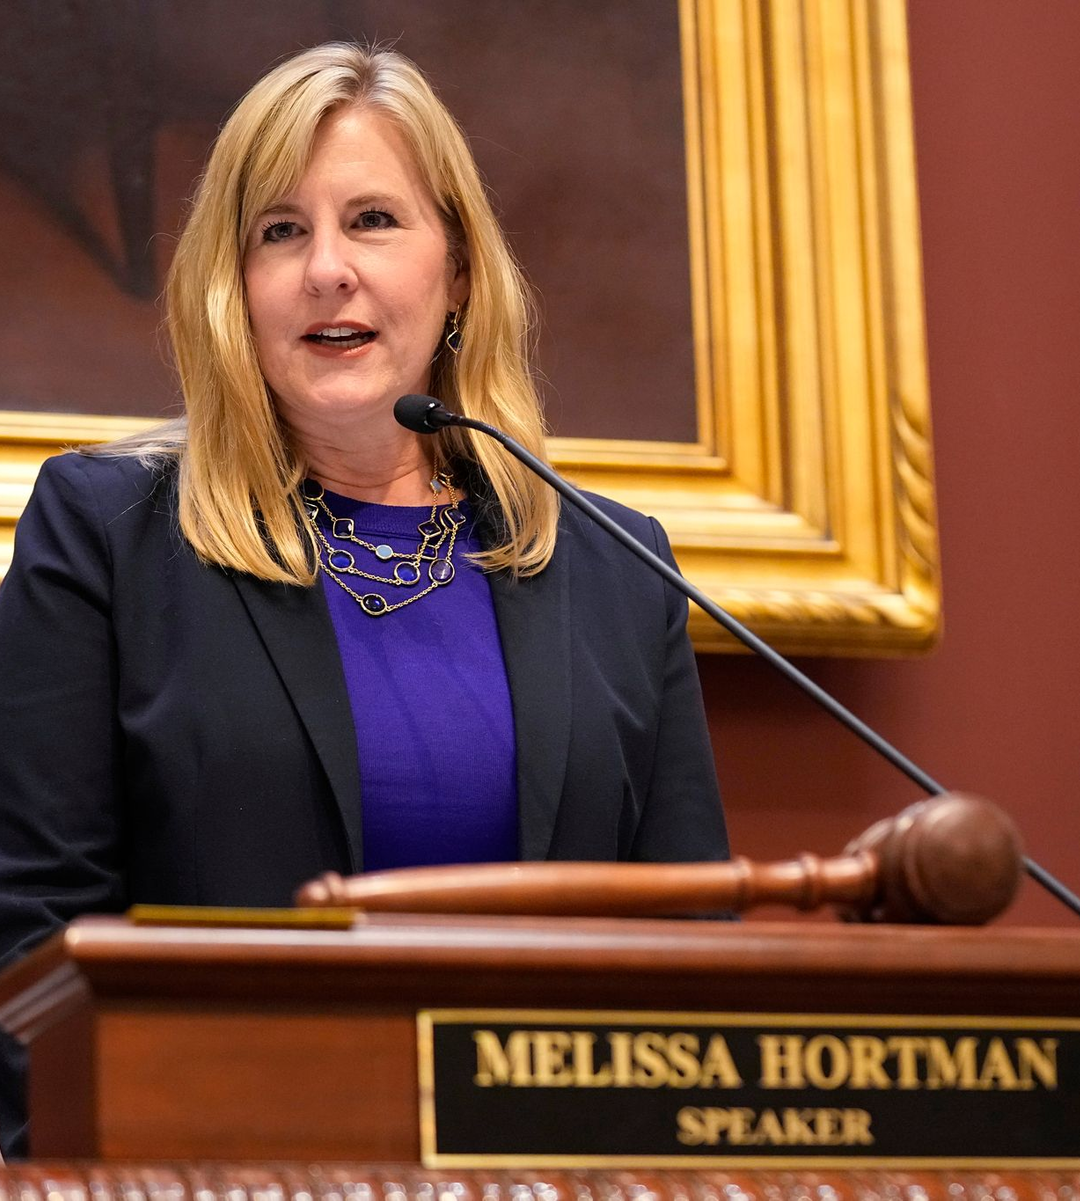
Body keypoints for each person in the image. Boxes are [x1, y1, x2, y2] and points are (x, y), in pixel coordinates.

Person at [0, 44, 728, 1155]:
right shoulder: (105, 535)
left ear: (460, 271)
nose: (327, 269)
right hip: (200, 1171)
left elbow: (694, 947)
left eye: (374, 220)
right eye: (280, 231)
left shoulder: (618, 570)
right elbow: (29, 932)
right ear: (231, 286)